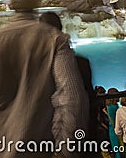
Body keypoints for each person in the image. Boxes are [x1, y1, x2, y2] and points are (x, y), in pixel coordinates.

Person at [0, 0, 88, 158]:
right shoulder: (53, 38)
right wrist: (66, 152)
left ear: (10, 4)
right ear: (34, 2)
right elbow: (72, 98)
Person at [39, 11, 97, 145]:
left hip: (57, 132)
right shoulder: (82, 62)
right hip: (83, 127)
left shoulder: (41, 65)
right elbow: (89, 95)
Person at [105, 88, 122, 158]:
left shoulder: (109, 106)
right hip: (116, 129)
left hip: (112, 129)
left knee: (116, 148)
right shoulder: (114, 107)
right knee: (118, 149)